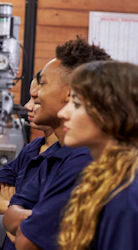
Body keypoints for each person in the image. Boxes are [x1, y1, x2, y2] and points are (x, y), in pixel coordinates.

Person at [3, 38, 111, 250]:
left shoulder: (85, 160)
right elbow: (10, 214)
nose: (32, 97)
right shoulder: (50, 153)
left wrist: (29, 221)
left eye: (42, 84)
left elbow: (28, 241)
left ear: (70, 92)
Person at [57, 60, 138, 250]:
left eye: (76, 104)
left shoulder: (126, 196)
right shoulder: (103, 176)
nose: (62, 113)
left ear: (112, 113)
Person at [0, 71, 58, 243]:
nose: (27, 106)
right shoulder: (31, 149)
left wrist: (12, 207)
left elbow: (42, 225)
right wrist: (15, 211)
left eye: (36, 101)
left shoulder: (69, 157)